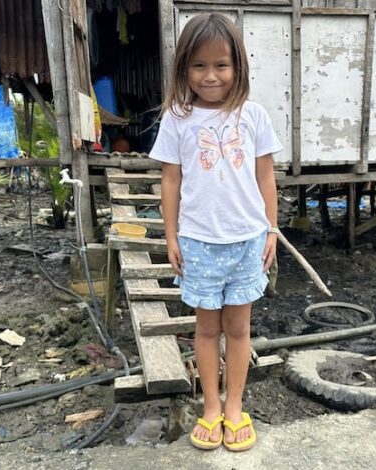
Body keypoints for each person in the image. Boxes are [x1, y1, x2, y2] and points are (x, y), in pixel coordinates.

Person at [149, 13, 282, 452]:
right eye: (199, 66)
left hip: (246, 239)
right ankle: (210, 406)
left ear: (238, 67)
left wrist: (271, 229)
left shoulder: (254, 115)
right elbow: (170, 180)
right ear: (184, 68)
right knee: (205, 330)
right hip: (199, 242)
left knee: (239, 329)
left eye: (221, 66)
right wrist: (171, 237)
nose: (210, 76)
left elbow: (266, 176)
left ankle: (234, 407)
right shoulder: (178, 118)